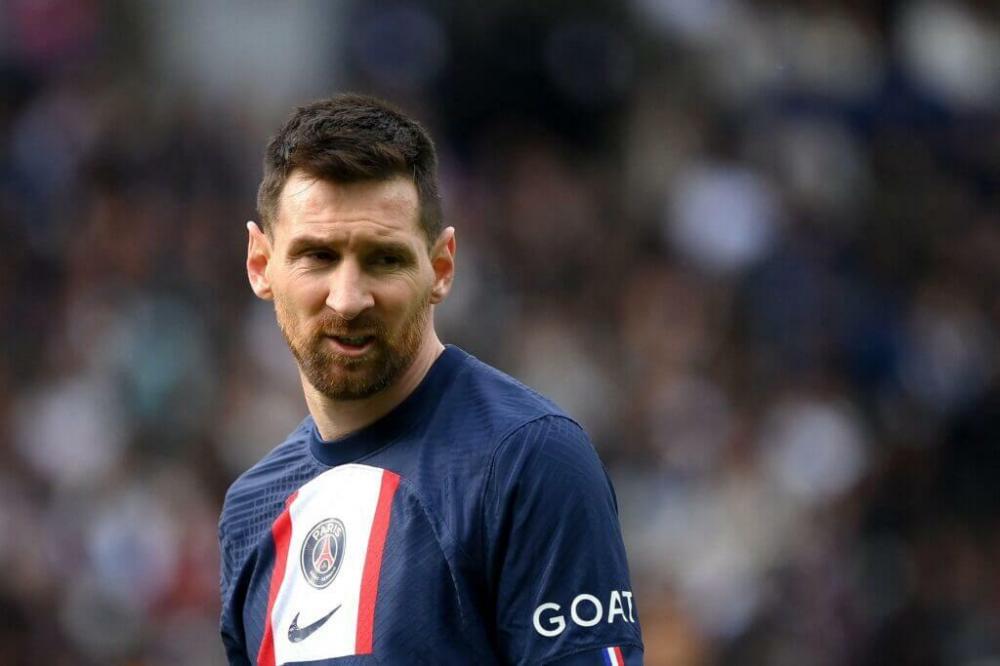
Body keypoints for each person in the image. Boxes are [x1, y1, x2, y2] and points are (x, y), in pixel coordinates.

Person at [218, 93, 643, 666]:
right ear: (260, 264)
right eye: (317, 256)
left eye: (384, 259)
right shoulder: (251, 510)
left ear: (441, 268)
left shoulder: (528, 460)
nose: (348, 299)